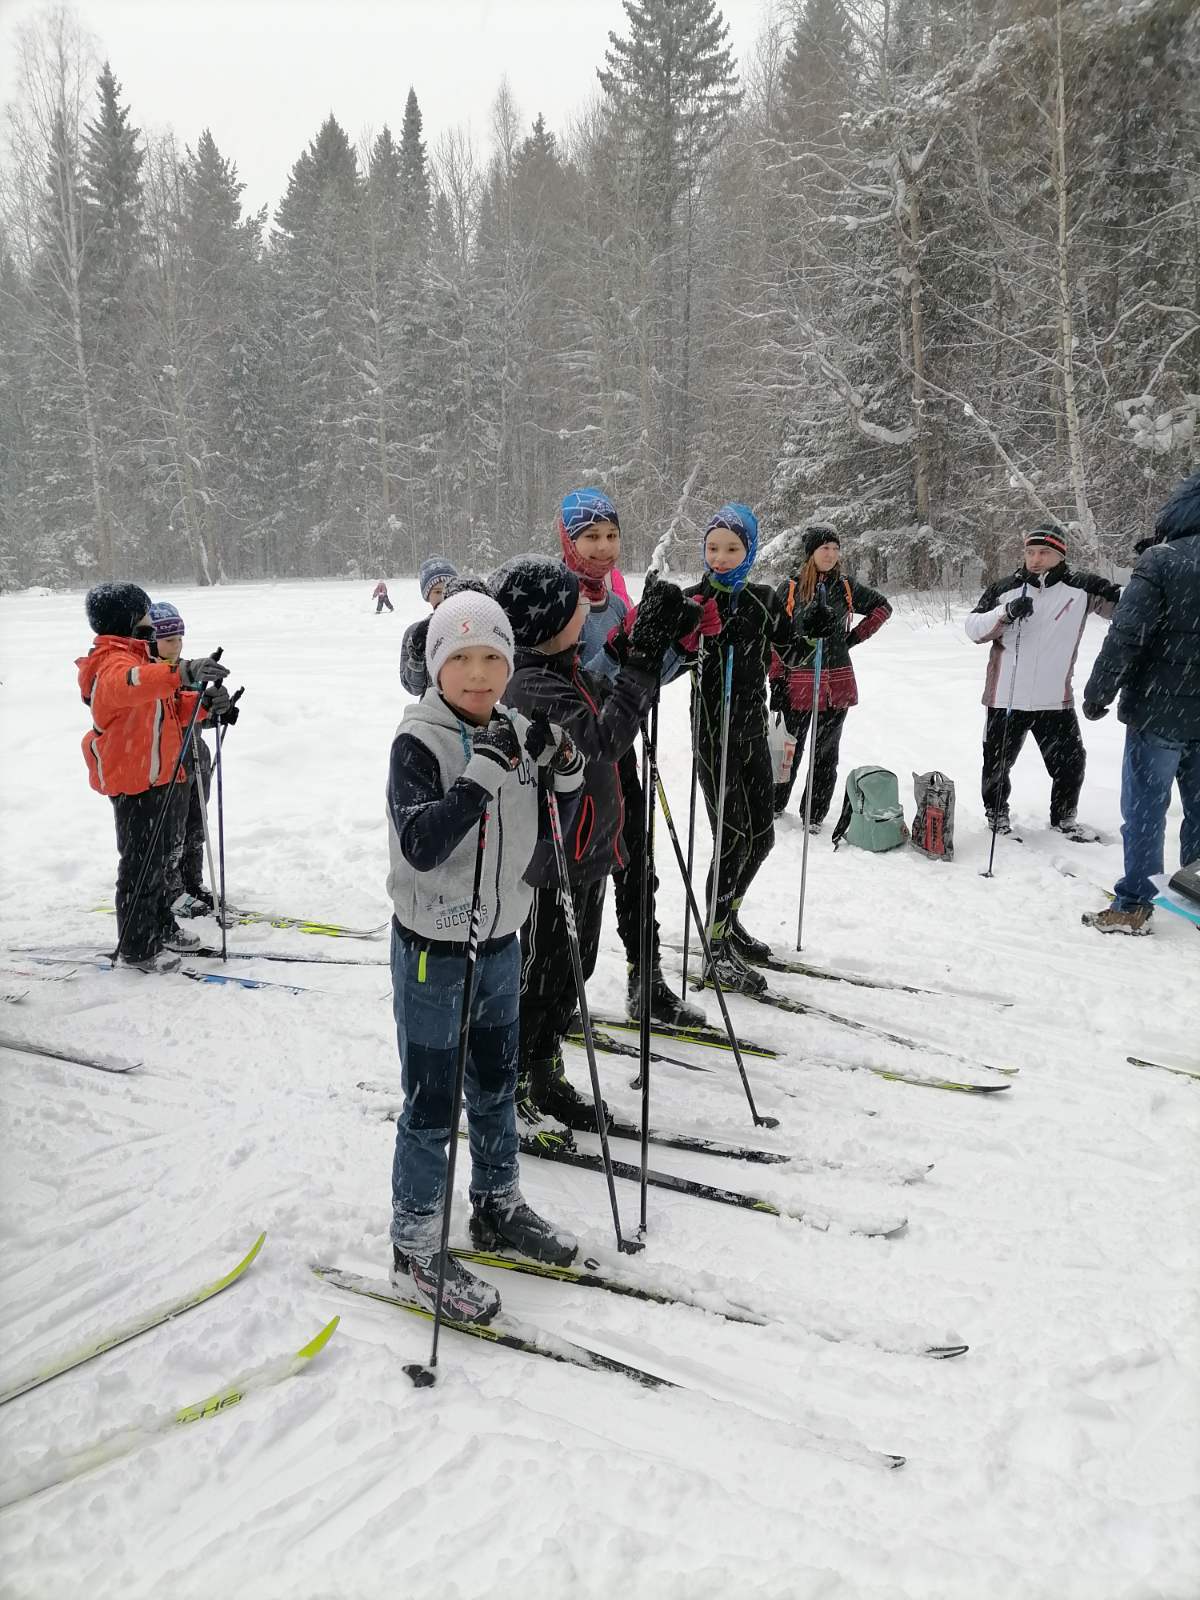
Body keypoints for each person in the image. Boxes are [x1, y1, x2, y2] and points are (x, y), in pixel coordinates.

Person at [386, 589, 585, 1324]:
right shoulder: (418, 743)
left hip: (501, 938)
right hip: (436, 952)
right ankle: (414, 1243)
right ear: (437, 666)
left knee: (496, 1086)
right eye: (461, 658)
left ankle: (498, 1204)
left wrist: (559, 754)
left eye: (493, 658)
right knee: (432, 1103)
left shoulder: (511, 724)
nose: (478, 674)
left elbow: (567, 783)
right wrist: (481, 775)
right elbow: (423, 842)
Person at [495, 556, 694, 1138]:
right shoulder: (531, 683)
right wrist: (639, 661)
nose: (588, 609)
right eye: (577, 605)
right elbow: (605, 737)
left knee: (572, 967)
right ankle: (506, 1081)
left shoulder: (560, 666)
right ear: (548, 620)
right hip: (549, 860)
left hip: (585, 851)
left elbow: (606, 693)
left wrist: (641, 641)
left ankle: (545, 1068)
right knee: (539, 975)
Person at [557, 486, 705, 1027]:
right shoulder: (555, 597)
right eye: (590, 537)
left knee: (639, 869)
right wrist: (626, 641)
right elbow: (575, 682)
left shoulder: (615, 600)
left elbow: (640, 682)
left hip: (619, 754)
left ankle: (648, 981)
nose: (603, 547)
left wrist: (677, 650)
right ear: (568, 541)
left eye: (611, 535)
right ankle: (558, 993)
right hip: (573, 764)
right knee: (579, 884)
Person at [673, 504, 808, 993]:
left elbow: (792, 650)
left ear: (749, 549)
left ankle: (727, 922)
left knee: (762, 838)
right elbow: (671, 658)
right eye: (713, 549)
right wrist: (681, 630)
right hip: (714, 737)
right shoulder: (693, 599)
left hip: (752, 732)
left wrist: (811, 625)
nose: (722, 558)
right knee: (731, 841)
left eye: (732, 548)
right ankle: (713, 949)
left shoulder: (764, 598)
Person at [77, 583, 230, 973]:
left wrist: (204, 705)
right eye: (143, 615)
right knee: (140, 866)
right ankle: (138, 947)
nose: (149, 623)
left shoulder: (137, 657)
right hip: (133, 782)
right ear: (128, 618)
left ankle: (161, 926)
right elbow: (131, 685)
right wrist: (180, 672)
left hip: (159, 776)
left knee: (160, 862)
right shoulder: (111, 664)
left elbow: (169, 711)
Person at [1080, 471, 1200, 934]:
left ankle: (1133, 903)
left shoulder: (1163, 560)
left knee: (1146, 809)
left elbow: (1128, 635)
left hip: (1160, 711)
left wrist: (1098, 691)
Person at [965, 526, 1120, 842]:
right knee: (997, 765)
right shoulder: (1005, 588)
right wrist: (1005, 613)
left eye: (1044, 553)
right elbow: (973, 629)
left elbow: (1130, 606)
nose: (1035, 559)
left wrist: (1147, 567)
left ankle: (1064, 819)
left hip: (1055, 699)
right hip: (1006, 698)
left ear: (1060, 554)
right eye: (1030, 552)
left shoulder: (1082, 588)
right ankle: (997, 818)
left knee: (1071, 763)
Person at [769, 525, 891, 826]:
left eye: (836, 549)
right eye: (825, 548)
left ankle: (814, 813)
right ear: (811, 552)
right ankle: (774, 803)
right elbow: (776, 638)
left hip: (836, 684)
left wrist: (853, 638)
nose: (831, 554)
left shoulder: (846, 586)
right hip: (797, 681)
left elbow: (882, 607)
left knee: (825, 753)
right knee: (789, 748)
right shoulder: (791, 588)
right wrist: (776, 679)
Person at [148, 602, 220, 922]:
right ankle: (172, 891)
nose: (175, 647)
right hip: (169, 765)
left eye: (179, 639)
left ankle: (193, 882)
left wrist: (218, 709)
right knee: (172, 831)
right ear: (152, 641)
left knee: (196, 824)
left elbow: (199, 715)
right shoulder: (152, 676)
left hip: (196, 756)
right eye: (168, 640)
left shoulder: (190, 670)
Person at [399, 557, 460, 696]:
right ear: (427, 595)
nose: (444, 596)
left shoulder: (473, 625)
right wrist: (417, 656)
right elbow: (414, 688)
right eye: (438, 592)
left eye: (449, 589)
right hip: (431, 712)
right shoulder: (414, 632)